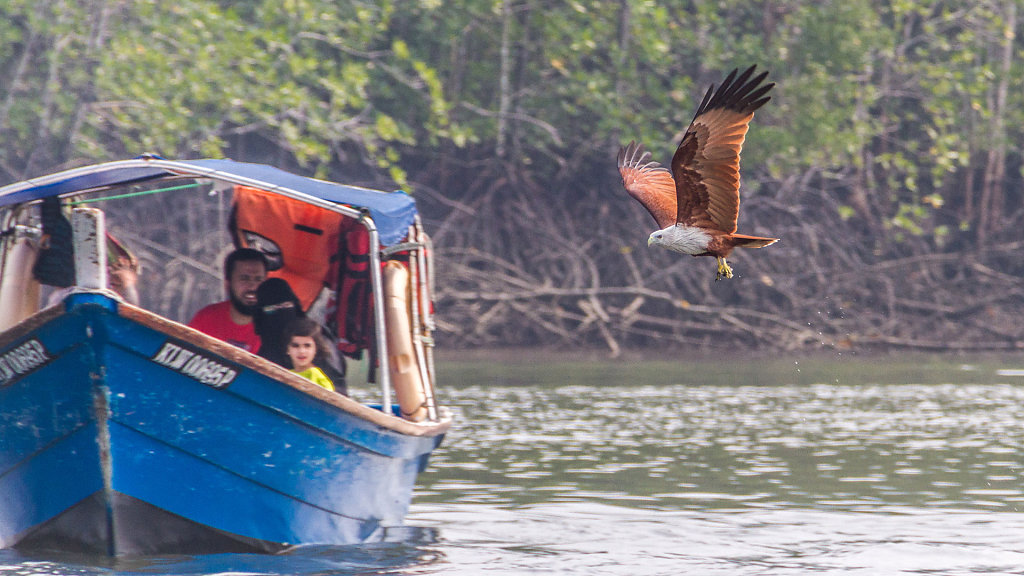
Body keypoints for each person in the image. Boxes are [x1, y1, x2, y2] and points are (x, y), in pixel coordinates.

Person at [188, 248, 267, 352]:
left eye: (258, 280)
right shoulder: (206, 319)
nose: (252, 287)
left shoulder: (274, 329)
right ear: (227, 284)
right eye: (244, 279)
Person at [253, 277, 304, 367]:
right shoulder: (257, 366)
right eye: (271, 309)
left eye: (286, 305)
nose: (281, 312)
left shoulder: (312, 356)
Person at [284, 317, 335, 392]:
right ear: (287, 349)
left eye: (307, 346)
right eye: (295, 346)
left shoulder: (318, 378)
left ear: (316, 349)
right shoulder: (285, 375)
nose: (301, 351)